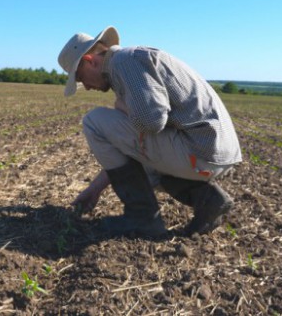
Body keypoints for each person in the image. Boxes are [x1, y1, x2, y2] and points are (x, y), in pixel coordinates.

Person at [57, 26, 242, 237]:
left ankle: (142, 218)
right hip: (212, 153)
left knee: (94, 121)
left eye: (81, 78)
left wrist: (123, 107)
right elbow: (132, 150)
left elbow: (151, 121)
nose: (87, 87)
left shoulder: (124, 62)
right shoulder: (131, 60)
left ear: (91, 60)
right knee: (142, 168)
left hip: (199, 152)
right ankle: (208, 199)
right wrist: (95, 189)